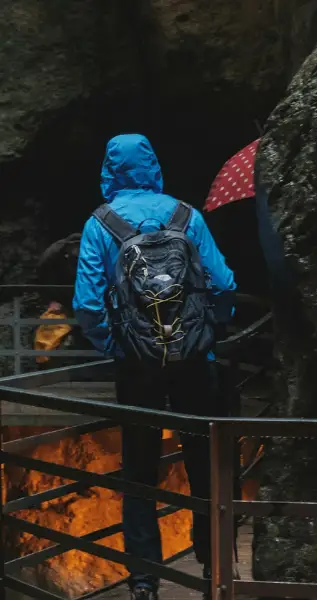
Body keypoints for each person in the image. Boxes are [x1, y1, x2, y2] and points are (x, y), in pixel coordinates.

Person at [73, 133, 236, 600]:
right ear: (154, 166)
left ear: (108, 170)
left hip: (137, 367)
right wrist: (204, 334)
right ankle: (214, 568)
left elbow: (87, 306)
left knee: (140, 473)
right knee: (205, 463)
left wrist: (118, 346)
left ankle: (144, 581)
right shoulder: (186, 216)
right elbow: (224, 285)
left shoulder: (100, 224)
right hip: (194, 363)